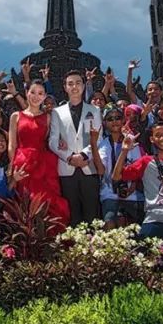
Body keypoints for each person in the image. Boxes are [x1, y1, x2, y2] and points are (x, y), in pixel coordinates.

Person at [111, 122, 163, 261]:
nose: (162, 138)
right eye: (158, 135)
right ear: (152, 139)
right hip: (154, 218)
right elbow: (116, 176)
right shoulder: (146, 162)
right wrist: (124, 150)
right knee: (147, 262)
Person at [10, 79, 70, 228]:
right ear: (26, 93)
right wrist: (11, 168)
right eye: (33, 92)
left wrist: (61, 142)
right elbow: (12, 144)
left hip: (43, 165)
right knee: (25, 202)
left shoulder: (49, 117)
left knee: (46, 202)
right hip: (22, 163)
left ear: (44, 97)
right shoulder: (16, 116)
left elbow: (53, 139)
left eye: (40, 93)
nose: (36, 96)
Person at [48, 70, 103, 225]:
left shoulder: (94, 110)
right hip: (67, 167)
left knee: (92, 212)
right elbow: (53, 141)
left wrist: (84, 156)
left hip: (89, 166)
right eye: (70, 84)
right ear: (65, 87)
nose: (74, 87)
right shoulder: (57, 113)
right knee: (72, 213)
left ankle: (93, 247)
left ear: (84, 85)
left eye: (78, 83)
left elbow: (98, 138)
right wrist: (70, 156)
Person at [96, 107, 145, 227]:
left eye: (118, 118)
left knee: (134, 228)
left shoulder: (132, 141)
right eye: (110, 119)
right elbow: (101, 170)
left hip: (132, 194)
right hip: (110, 193)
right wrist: (93, 143)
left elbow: (137, 166)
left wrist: (133, 186)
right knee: (110, 224)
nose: (114, 121)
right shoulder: (103, 144)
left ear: (123, 120)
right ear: (105, 123)